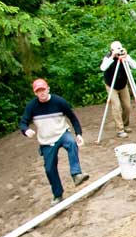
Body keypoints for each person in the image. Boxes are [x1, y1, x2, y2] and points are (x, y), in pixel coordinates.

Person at [19, 78, 90, 206]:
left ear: (48, 89)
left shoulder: (59, 101)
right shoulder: (32, 106)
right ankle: (58, 195)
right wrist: (26, 130)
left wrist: (78, 133)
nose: (42, 93)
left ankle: (76, 174)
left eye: (43, 89)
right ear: (35, 93)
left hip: (62, 133)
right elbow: (23, 122)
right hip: (46, 141)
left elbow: (72, 117)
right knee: (49, 169)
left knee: (71, 143)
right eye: (38, 91)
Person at [99, 40, 136, 139]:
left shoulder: (124, 57)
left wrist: (127, 58)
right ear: (112, 50)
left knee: (127, 106)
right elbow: (103, 68)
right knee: (116, 106)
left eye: (120, 48)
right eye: (116, 49)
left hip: (123, 85)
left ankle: (125, 125)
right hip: (111, 85)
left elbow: (135, 66)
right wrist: (112, 57)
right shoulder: (108, 58)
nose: (119, 51)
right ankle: (120, 130)